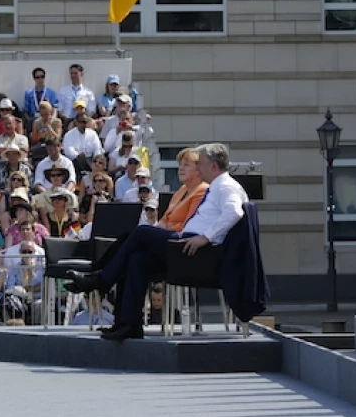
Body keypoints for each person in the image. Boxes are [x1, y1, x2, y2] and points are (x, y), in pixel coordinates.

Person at [66, 143, 248, 341]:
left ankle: (100, 279)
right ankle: (129, 324)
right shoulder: (215, 187)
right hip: (185, 246)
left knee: (140, 233)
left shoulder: (226, 186)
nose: (198, 167)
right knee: (137, 258)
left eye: (200, 163)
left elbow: (235, 212)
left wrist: (205, 237)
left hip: (197, 252)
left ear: (213, 166)